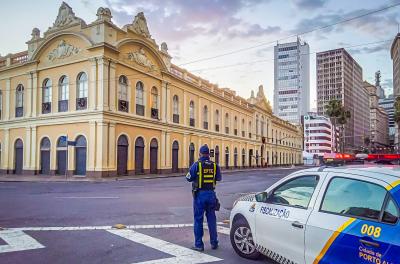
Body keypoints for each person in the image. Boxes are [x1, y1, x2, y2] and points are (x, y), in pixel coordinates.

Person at [186, 144, 222, 251]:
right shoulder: (215, 165)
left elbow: (188, 178)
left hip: (200, 196)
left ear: (200, 153)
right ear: (209, 154)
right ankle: (214, 242)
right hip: (211, 195)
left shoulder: (196, 165)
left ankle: (199, 245)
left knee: (198, 220)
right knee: (212, 219)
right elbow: (219, 178)